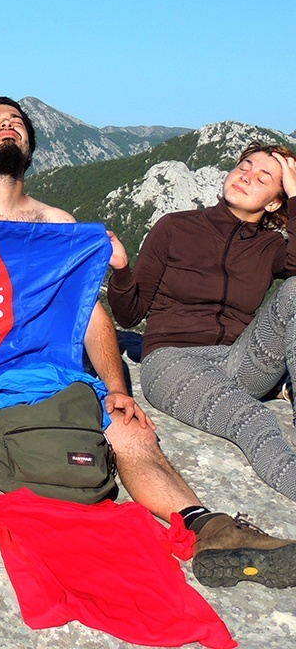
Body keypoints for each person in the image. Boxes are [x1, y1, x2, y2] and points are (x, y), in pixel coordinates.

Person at [0, 97, 296, 589]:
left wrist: (117, 389)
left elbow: (90, 314)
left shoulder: (58, 226)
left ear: (30, 147)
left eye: (16, 121)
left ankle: (209, 527)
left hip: (42, 373)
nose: (6, 125)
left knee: (131, 434)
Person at [108, 143, 296, 500]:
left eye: (263, 178)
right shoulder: (175, 227)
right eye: (244, 166)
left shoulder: (270, 246)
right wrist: (121, 270)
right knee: (254, 418)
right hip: (172, 360)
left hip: (239, 361)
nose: (247, 176)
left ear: (274, 202)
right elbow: (130, 315)